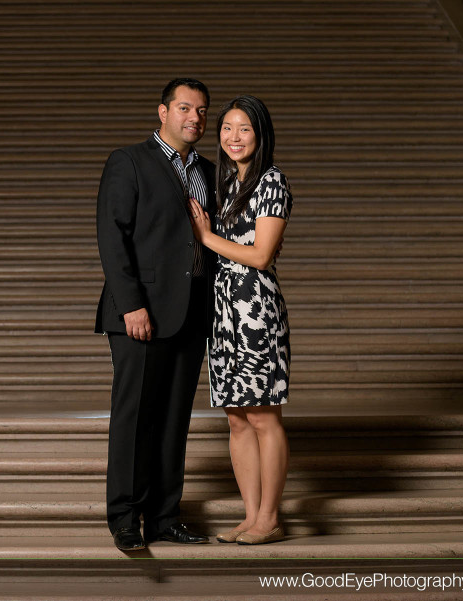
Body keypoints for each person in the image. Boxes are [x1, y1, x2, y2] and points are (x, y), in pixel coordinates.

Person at [95, 78, 215, 551]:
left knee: (173, 421)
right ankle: (125, 517)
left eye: (203, 111)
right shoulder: (130, 161)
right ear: (162, 112)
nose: (195, 118)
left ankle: (165, 517)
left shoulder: (208, 169)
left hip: (191, 315)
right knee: (135, 417)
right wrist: (131, 305)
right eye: (185, 108)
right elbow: (112, 235)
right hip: (139, 315)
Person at [187, 94, 292, 546]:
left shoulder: (273, 181)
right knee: (235, 418)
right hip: (223, 310)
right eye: (226, 128)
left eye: (243, 128)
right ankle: (251, 517)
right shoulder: (225, 183)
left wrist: (207, 237)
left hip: (256, 309)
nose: (233, 137)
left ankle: (270, 517)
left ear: (260, 134)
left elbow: (262, 256)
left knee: (263, 416)